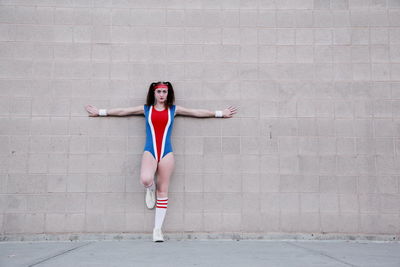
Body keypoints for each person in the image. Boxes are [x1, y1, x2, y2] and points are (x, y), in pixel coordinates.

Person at [85, 81, 237, 242]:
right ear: (154, 93)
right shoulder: (146, 109)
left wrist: (220, 113)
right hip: (150, 151)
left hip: (166, 153)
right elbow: (123, 111)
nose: (162, 95)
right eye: (159, 92)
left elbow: (196, 112)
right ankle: (150, 189)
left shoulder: (174, 109)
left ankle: (157, 230)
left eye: (165, 92)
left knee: (163, 191)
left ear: (168, 93)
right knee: (146, 179)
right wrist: (100, 112)